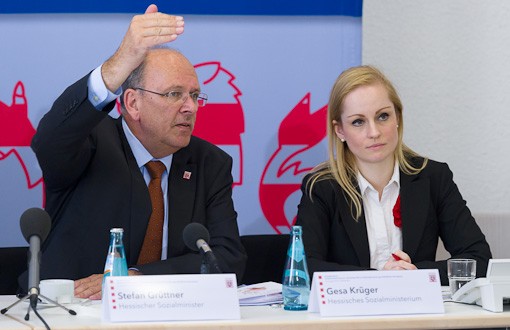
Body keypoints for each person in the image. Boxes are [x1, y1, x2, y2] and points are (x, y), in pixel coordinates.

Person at [19, 4, 246, 299]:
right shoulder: (89, 143)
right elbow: (50, 140)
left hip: (167, 313)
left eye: (194, 95)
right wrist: (118, 65)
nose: (190, 107)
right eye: (174, 94)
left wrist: (136, 278)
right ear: (133, 103)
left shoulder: (209, 163)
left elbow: (227, 258)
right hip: (69, 312)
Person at [295, 65, 491, 285]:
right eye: (358, 122)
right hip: (350, 315)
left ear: (397, 117)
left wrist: (416, 274)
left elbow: (478, 259)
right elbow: (304, 268)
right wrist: (382, 279)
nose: (374, 132)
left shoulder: (433, 177)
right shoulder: (321, 187)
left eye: (383, 116)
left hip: (419, 314)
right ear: (340, 130)